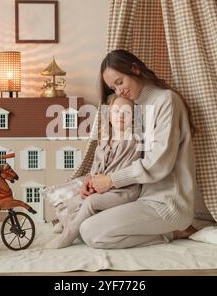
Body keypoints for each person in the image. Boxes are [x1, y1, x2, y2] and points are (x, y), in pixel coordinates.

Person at [78, 49, 198, 249]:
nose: (119, 91)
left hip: (168, 203)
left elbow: (159, 164)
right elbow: (122, 154)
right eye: (113, 88)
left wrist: (110, 181)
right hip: (141, 198)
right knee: (84, 219)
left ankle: (174, 231)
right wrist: (93, 179)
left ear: (135, 69)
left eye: (119, 82)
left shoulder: (166, 100)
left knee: (91, 232)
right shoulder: (135, 109)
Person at [46, 95, 143, 249]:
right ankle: (67, 224)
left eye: (127, 112)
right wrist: (89, 182)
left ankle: (69, 234)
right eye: (116, 112)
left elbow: (124, 172)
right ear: (109, 116)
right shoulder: (104, 141)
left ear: (134, 117)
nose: (121, 116)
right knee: (74, 199)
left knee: (91, 202)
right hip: (101, 186)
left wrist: (99, 186)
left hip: (122, 190)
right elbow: (95, 167)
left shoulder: (133, 141)